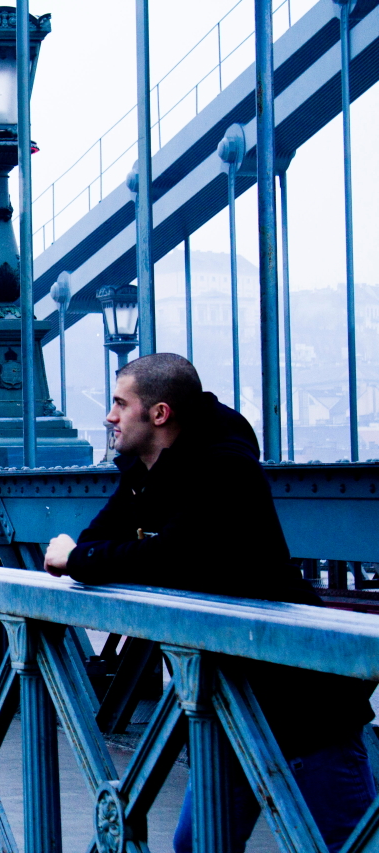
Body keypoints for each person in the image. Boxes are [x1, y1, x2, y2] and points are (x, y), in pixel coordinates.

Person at [43, 353, 375, 853]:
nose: (109, 416)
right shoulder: (145, 468)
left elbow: (171, 556)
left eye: (119, 403)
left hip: (302, 707)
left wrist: (77, 558)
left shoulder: (226, 468)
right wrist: (80, 556)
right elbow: (99, 540)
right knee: (196, 845)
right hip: (227, 699)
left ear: (159, 414)